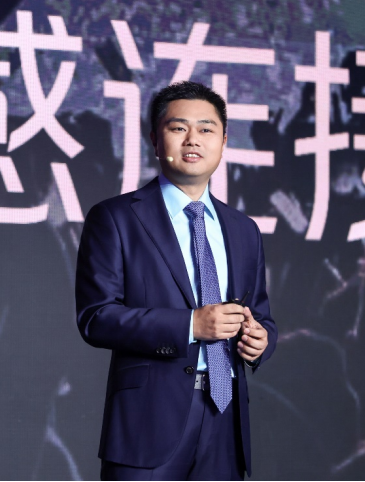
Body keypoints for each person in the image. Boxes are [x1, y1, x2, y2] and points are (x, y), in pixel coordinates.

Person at [75, 81, 277, 480]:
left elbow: (262, 316)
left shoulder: (244, 229)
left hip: (225, 420)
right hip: (147, 423)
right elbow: (96, 317)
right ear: (155, 139)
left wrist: (261, 341)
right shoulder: (115, 218)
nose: (193, 139)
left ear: (223, 141)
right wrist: (191, 325)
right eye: (178, 127)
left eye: (206, 129)